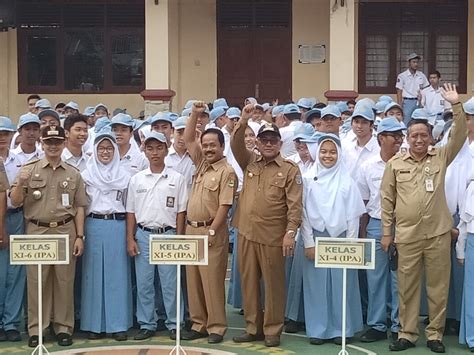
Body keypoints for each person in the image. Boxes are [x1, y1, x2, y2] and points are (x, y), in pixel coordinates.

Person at [381, 83, 466, 353]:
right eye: (414, 135)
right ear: (407, 138)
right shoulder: (396, 164)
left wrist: (456, 104)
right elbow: (387, 201)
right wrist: (386, 232)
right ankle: (406, 333)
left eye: (423, 135)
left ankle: (435, 335)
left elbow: (460, 134)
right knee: (407, 287)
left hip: (438, 234)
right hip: (406, 236)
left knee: (438, 287)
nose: (419, 140)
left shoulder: (440, 157)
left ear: (431, 138)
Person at [231, 104, 303, 347]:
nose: (269, 144)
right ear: (258, 143)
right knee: (248, 282)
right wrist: (243, 120)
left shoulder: (289, 169)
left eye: (273, 140)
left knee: (273, 285)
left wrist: (290, 233)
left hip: (274, 235)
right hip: (246, 232)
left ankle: (272, 329)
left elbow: (295, 204)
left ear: (280, 144)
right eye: (264, 140)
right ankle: (253, 328)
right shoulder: (249, 162)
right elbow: (235, 144)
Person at [10, 125, 87, 348]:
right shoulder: (28, 169)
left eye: (57, 142)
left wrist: (80, 236)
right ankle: (38, 328)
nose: (53, 146)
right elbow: (15, 201)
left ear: (63, 144)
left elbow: (80, 206)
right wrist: (22, 183)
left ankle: (63, 327)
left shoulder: (72, 173)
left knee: (64, 281)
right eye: (49, 142)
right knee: (37, 281)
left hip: (65, 229)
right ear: (41, 144)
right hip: (37, 230)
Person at [301, 133, 365, 345]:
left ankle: (342, 329)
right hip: (316, 238)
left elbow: (353, 217)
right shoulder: (308, 180)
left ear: (339, 154)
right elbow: (303, 213)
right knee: (316, 286)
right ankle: (318, 330)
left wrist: (351, 245)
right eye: (324, 151)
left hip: (341, 241)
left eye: (332, 152)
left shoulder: (347, 181)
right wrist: (309, 242)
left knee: (342, 285)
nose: (328, 156)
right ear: (317, 153)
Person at [181, 102, 237, 344]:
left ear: (222, 147)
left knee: (212, 281)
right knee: (193, 280)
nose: (208, 149)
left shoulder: (227, 172)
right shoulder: (201, 163)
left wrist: (214, 228)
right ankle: (199, 323)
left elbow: (225, 205)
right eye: (205, 145)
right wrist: (195, 114)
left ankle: (216, 326)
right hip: (191, 229)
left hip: (211, 230)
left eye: (213, 145)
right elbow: (187, 139)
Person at [126, 131, 188, 341]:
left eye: (159, 147)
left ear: (166, 149)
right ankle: (147, 323)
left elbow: (181, 212)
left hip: (168, 235)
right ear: (144, 150)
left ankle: (174, 323)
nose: (155, 152)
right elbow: (131, 212)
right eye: (150, 148)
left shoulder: (177, 178)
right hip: (143, 234)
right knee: (144, 284)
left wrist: (179, 239)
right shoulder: (137, 179)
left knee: (170, 284)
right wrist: (130, 238)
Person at [80, 132, 132, 341]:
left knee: (117, 277)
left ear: (115, 150)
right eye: (101, 148)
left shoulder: (125, 176)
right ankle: (94, 325)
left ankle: (118, 324)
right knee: (92, 276)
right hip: (93, 225)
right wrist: (80, 234)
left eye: (109, 148)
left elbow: (130, 207)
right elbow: (81, 206)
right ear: (94, 150)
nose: (105, 152)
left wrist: (130, 236)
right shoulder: (86, 175)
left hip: (117, 226)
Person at [357, 117, 404, 343]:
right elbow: (363, 203)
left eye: (400, 136)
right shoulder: (367, 167)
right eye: (393, 136)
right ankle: (377, 324)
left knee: (399, 279)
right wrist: (363, 233)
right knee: (375, 278)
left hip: (403, 225)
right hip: (376, 224)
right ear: (380, 138)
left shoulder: (407, 162)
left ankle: (398, 324)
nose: (398, 140)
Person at [0, 117, 26, 342]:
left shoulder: (19, 161)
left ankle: (11, 323)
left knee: (15, 272)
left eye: (6, 134)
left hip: (17, 217)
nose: (2, 138)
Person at [456, 97, 474, 351]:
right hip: (472, 229)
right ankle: (472, 337)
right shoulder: (463, 148)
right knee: (472, 289)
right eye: (468, 117)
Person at [343, 105, 379, 180]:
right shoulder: (347, 148)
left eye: (364, 122)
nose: (359, 126)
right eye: (356, 122)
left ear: (371, 125)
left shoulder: (379, 149)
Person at [396, 53, 429, 125]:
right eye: (414, 62)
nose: (416, 64)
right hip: (407, 102)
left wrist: (423, 102)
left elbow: (426, 89)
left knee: (419, 122)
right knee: (406, 123)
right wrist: (399, 106)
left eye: (417, 62)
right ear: (409, 63)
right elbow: (399, 91)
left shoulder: (421, 75)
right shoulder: (402, 76)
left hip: (418, 102)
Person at [165, 116, 195, 188]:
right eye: (179, 133)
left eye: (187, 134)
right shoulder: (165, 156)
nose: (182, 138)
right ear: (172, 131)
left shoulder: (195, 157)